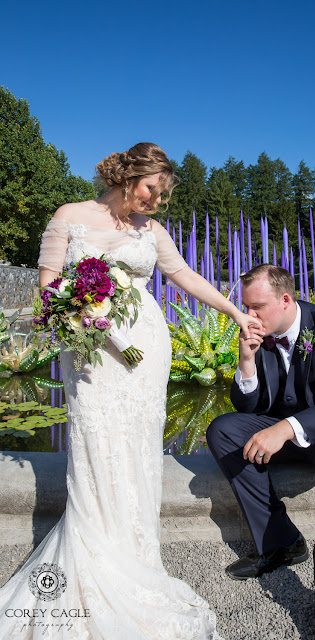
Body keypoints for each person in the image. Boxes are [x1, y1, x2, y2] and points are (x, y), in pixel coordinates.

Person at [0, 142, 260, 639]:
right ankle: (96, 551)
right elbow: (49, 285)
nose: (156, 202)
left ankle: (138, 557)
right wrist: (78, 316)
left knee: (139, 447)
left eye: (162, 196)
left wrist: (231, 311)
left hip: (145, 347)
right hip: (92, 350)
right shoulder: (70, 216)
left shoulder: (152, 231)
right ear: (127, 175)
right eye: (151, 190)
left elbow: (182, 275)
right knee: (95, 444)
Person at [207, 264, 315, 640]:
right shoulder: (259, 334)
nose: (247, 316)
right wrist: (245, 362)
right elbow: (247, 407)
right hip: (282, 432)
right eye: (245, 307)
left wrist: (284, 428)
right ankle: (282, 543)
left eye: (256, 307)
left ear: (285, 300)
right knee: (223, 430)